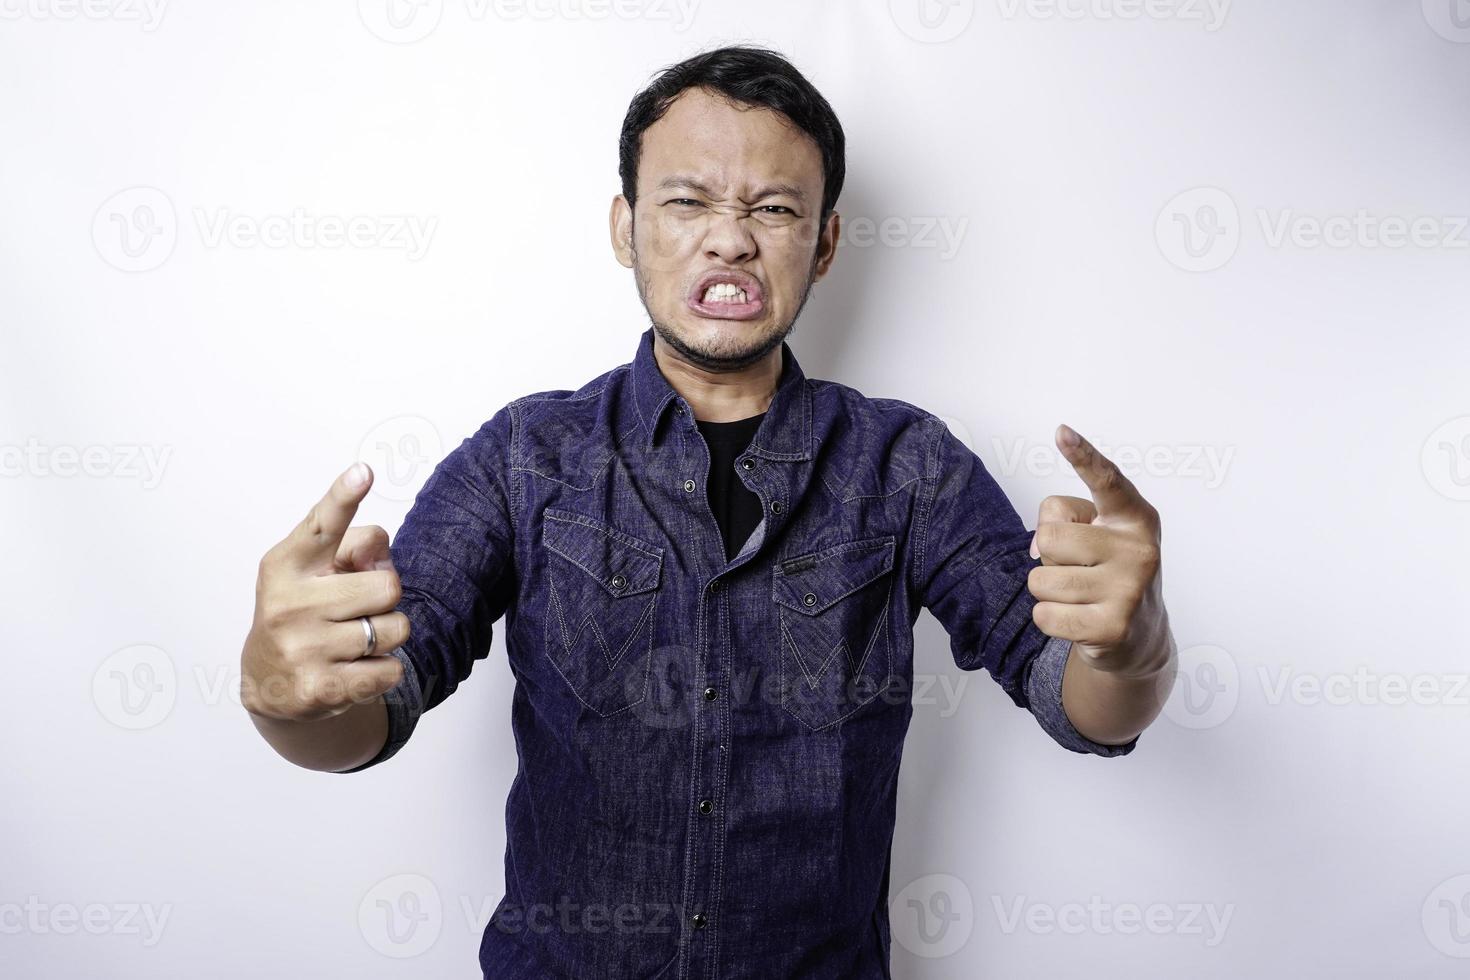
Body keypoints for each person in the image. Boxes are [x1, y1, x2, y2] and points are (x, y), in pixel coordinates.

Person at [240, 44, 1177, 980]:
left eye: (773, 208)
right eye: (687, 202)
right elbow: (373, 705)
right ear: (625, 225)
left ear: (824, 243)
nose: (730, 238)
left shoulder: (909, 465)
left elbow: (1081, 705)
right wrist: (282, 698)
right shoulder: (527, 457)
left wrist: (1134, 649)